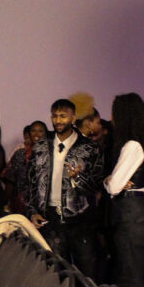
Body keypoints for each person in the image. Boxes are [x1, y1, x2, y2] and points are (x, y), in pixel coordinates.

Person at [27, 99, 104, 277]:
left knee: (86, 273)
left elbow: (97, 184)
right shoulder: (40, 147)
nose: (58, 121)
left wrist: (78, 177)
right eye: (55, 116)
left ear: (73, 117)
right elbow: (30, 183)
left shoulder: (89, 148)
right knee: (54, 273)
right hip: (50, 218)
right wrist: (32, 211)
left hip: (81, 219)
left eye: (63, 116)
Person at [103, 93, 144, 287]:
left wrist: (109, 182)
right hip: (136, 212)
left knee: (131, 276)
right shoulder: (139, 143)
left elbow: (114, 185)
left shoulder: (132, 145)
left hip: (131, 213)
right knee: (131, 273)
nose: (111, 118)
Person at [1, 122, 46, 215]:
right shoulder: (20, 154)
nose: (36, 134)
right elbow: (10, 180)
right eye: (33, 131)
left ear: (46, 134)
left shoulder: (51, 155)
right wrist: (5, 202)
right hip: (21, 204)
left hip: (43, 204)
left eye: (40, 131)